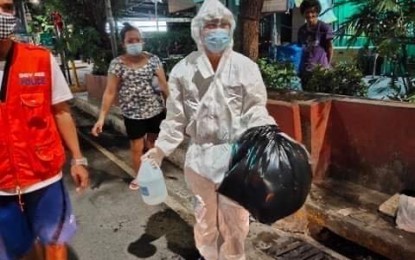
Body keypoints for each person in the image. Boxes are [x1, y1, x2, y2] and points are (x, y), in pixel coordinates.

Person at [142, 0, 276, 259]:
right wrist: (159, 151)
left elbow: (256, 110)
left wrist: (270, 138)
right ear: (198, 30)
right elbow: (175, 119)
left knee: (236, 220)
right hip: (200, 159)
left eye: (223, 25)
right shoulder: (183, 71)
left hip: (236, 158)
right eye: (211, 25)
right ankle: (208, 255)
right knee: (204, 217)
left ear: (231, 28)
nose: (217, 30)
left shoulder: (245, 68)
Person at [0, 0, 89, 259]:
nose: (2, 14)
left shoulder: (40, 59)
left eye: (6, 7)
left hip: (44, 176)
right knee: (19, 251)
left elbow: (61, 112)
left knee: (55, 242)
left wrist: (78, 159)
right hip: (2, 187)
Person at [91, 23, 169, 190]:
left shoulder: (153, 60)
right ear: (123, 43)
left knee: (153, 144)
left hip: (155, 110)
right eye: (130, 40)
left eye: (137, 40)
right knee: (137, 147)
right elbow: (110, 91)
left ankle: (154, 174)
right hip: (133, 114)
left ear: (143, 41)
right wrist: (101, 117)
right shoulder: (117, 64)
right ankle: (140, 177)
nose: (134, 43)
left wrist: (172, 109)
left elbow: (163, 85)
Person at [297, 0, 334, 86]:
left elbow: (330, 48)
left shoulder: (324, 28)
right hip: (305, 71)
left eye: (313, 12)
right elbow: (300, 50)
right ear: (303, 14)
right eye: (307, 12)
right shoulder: (301, 30)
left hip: (320, 71)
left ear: (317, 12)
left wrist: (327, 66)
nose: (310, 15)